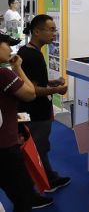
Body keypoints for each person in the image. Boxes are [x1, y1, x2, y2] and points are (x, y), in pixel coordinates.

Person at [18, 15, 70, 197]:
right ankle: (36, 189)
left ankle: (49, 177)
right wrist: (57, 90)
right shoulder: (32, 56)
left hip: (32, 111)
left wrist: (51, 83)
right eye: (51, 29)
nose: (54, 33)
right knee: (38, 149)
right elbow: (32, 90)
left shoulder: (27, 52)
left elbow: (31, 82)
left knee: (40, 147)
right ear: (37, 31)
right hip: (36, 113)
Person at [0, 33, 37, 212]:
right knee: (23, 195)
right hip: (5, 146)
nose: (11, 49)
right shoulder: (3, 74)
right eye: (7, 44)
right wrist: (17, 68)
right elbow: (30, 94)